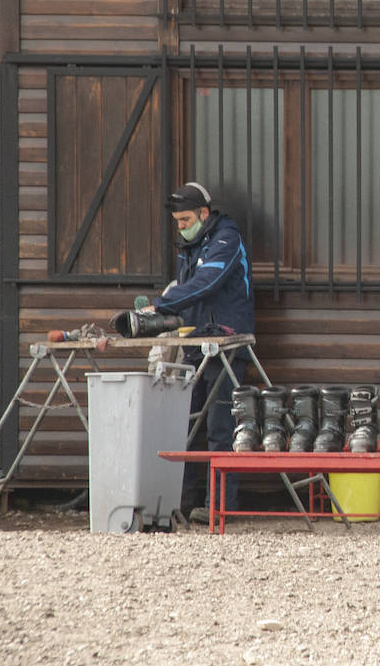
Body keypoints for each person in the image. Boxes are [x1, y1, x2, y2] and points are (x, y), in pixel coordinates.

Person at [155, 182, 255, 523]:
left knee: (220, 426)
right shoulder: (190, 245)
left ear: (204, 214)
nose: (181, 227)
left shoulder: (227, 239)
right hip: (196, 344)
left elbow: (206, 283)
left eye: (185, 219)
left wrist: (160, 306)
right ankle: (181, 505)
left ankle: (219, 507)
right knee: (187, 428)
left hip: (226, 345)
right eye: (177, 222)